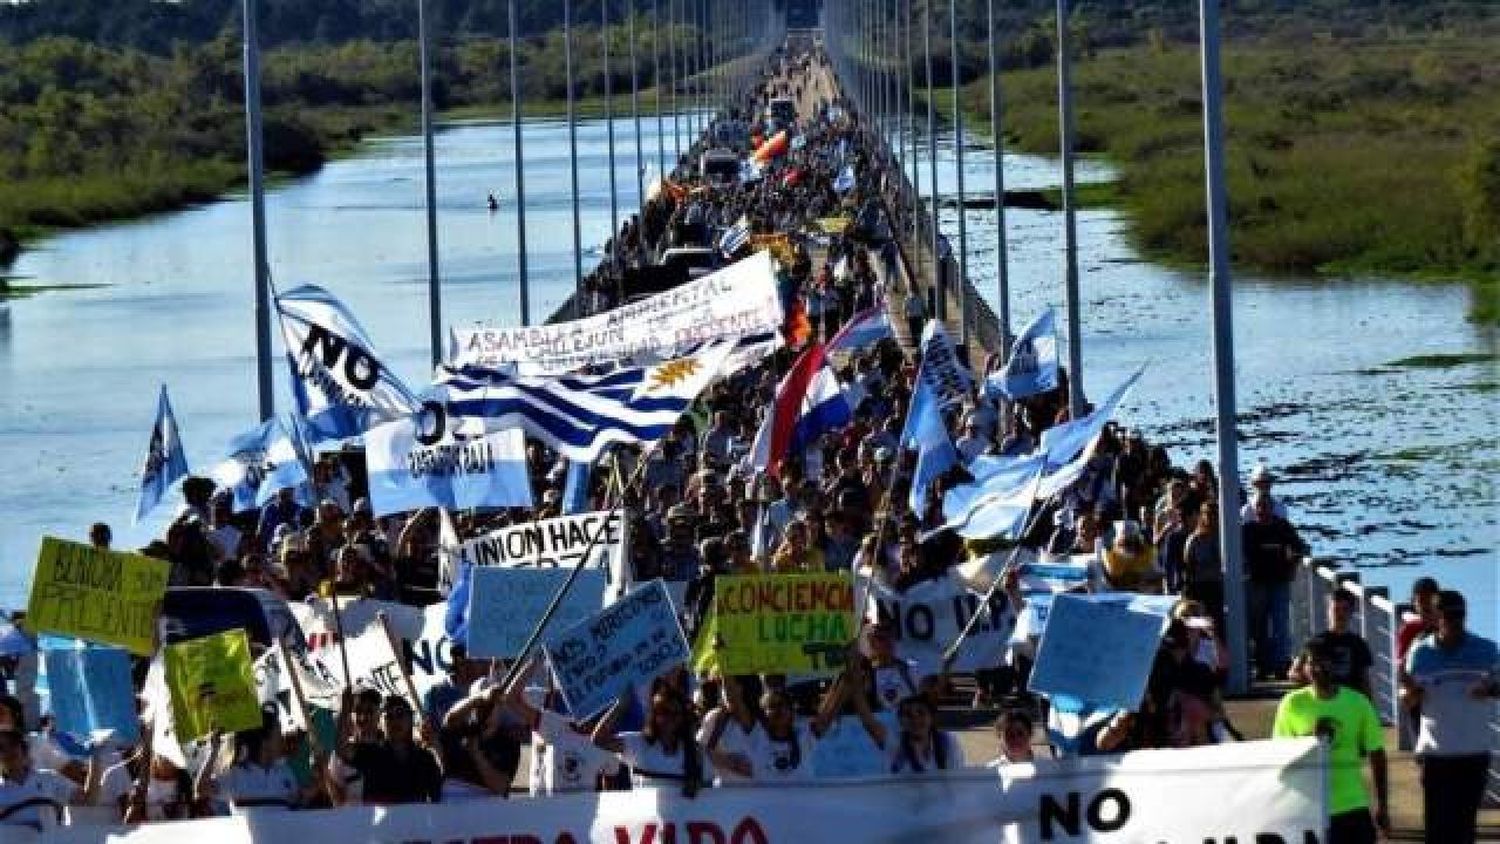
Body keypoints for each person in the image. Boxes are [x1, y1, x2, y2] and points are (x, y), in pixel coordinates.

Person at [1399, 590, 1499, 844]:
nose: (1456, 622)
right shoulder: (1420, 654)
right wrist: (1411, 694)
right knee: (1437, 831)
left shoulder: (1487, 650)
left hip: (1473, 753)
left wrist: (1490, 690)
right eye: (1449, 616)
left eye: (1460, 616)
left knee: (1465, 829)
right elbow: (1408, 699)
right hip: (1436, 754)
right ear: (1436, 616)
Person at [1272, 640, 1388, 844]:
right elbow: (1278, 756)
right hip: (1308, 809)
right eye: (1311, 663)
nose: (1317, 669)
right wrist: (1311, 740)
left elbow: (1376, 753)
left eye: (1323, 662)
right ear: (1304, 668)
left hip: (1352, 806)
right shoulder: (1291, 704)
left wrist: (1382, 804)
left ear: (1335, 665)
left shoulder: (1358, 703)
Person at [592, 684, 707, 796]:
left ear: (682, 717)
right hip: (643, 815)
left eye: (675, 713)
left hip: (685, 815)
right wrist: (621, 705)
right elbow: (599, 739)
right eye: (664, 712)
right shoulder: (638, 743)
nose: (670, 718)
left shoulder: (695, 750)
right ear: (655, 714)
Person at [196, 708, 314, 815]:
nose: (282, 741)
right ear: (265, 742)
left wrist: (317, 779)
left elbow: (298, 806)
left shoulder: (286, 772)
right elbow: (202, 789)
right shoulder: (236, 775)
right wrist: (213, 751)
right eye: (278, 735)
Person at [1242, 491, 1307, 678]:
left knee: (1280, 624)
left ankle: (1280, 665)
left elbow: (1299, 547)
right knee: (1259, 626)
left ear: (1272, 508)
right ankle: (1263, 665)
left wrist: (1293, 565)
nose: (1262, 510)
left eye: (1266, 506)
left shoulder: (1282, 526)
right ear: (1254, 510)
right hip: (1256, 583)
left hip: (1279, 581)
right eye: (1259, 507)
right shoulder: (1248, 530)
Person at [0, 727, 97, 831]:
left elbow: (88, 800)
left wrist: (96, 759)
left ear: (23, 749)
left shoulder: (50, 778)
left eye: (12, 744)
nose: (8, 750)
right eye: (1, 748)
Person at [1287, 591, 1373, 699]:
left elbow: (1366, 681)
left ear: (1351, 612)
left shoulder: (1358, 644)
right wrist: (1311, 678)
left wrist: (1371, 707)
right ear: (1328, 611)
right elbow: (1293, 673)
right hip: (1323, 700)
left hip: (1350, 702)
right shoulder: (1316, 642)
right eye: (1336, 609)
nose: (1340, 614)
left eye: (1345, 610)